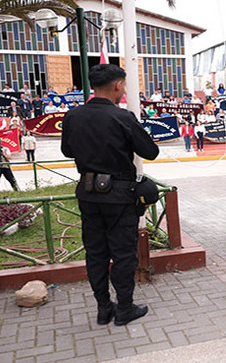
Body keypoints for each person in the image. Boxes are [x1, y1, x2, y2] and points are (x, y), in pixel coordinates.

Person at [61, 64, 159, 326]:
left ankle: (104, 308)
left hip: (88, 194)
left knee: (95, 253)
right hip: (118, 196)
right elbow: (150, 152)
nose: (123, 90)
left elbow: (67, 152)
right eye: (124, 86)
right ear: (118, 85)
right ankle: (125, 308)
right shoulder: (123, 117)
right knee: (124, 254)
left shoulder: (73, 116)